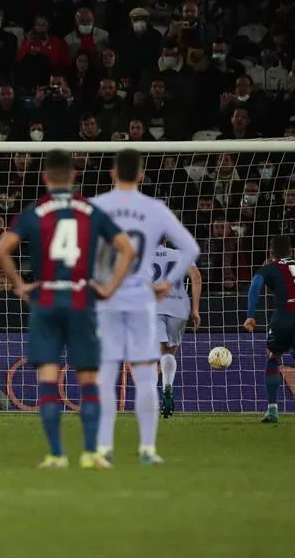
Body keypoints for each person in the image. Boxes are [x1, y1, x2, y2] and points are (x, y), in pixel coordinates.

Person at [0, 149, 136, 469]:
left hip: (45, 301)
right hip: (80, 299)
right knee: (88, 379)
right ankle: (89, 454)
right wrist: (109, 288)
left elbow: (1, 250)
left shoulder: (36, 210)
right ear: (73, 176)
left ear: (45, 178)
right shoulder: (89, 209)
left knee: (47, 378)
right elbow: (127, 249)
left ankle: (56, 454)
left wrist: (19, 284)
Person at [90, 150, 200, 465]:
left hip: (110, 298)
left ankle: (104, 449)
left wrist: (98, 282)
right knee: (145, 374)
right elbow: (191, 249)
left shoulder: (99, 206)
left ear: (112, 174)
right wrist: (170, 281)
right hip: (142, 300)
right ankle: (148, 450)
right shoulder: (155, 209)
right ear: (140, 175)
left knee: (108, 371)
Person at [243, 235, 295, 423]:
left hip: (284, 315)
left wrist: (251, 314)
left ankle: (272, 409)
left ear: (271, 254)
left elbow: (255, 285)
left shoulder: (270, 267)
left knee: (273, 357)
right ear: (291, 252)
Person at [152, 241, 202, 419]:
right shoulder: (180, 254)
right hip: (179, 309)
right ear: (164, 241)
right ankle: (168, 387)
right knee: (168, 353)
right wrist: (195, 309)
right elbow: (195, 277)